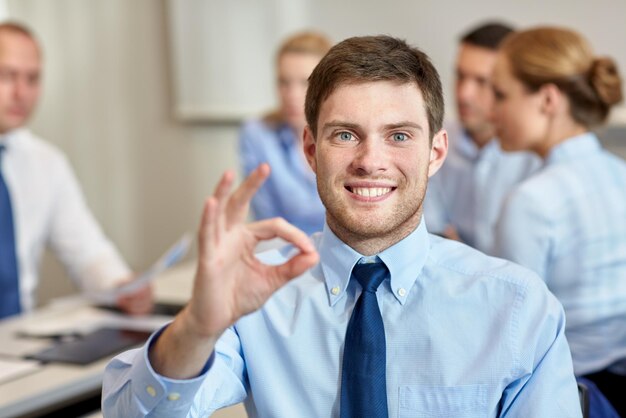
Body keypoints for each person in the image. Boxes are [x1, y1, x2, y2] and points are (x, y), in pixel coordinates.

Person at [102, 35, 581, 417]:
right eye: (345, 135)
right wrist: (198, 327)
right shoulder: (256, 295)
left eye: (398, 136)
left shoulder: (517, 306)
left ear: (435, 152)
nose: (370, 161)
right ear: (311, 150)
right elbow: (132, 414)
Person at [491, 26, 626, 415]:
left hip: (577, 395)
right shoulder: (620, 172)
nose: (492, 109)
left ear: (548, 99)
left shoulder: (532, 201)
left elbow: (512, 333)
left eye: (501, 94)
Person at [0, 21, 152, 318]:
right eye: (7, 76)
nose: (22, 92)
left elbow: (87, 251)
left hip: (15, 345)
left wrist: (122, 286)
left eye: (32, 79)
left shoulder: (45, 162)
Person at [424, 22, 539, 253]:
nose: (464, 94)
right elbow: (432, 236)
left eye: (482, 81)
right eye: (460, 76)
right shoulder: (432, 139)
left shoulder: (536, 157)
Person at [239, 31, 331, 235]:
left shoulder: (349, 136)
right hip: (286, 252)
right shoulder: (257, 135)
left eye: (305, 83)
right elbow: (267, 223)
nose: (292, 95)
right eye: (284, 82)